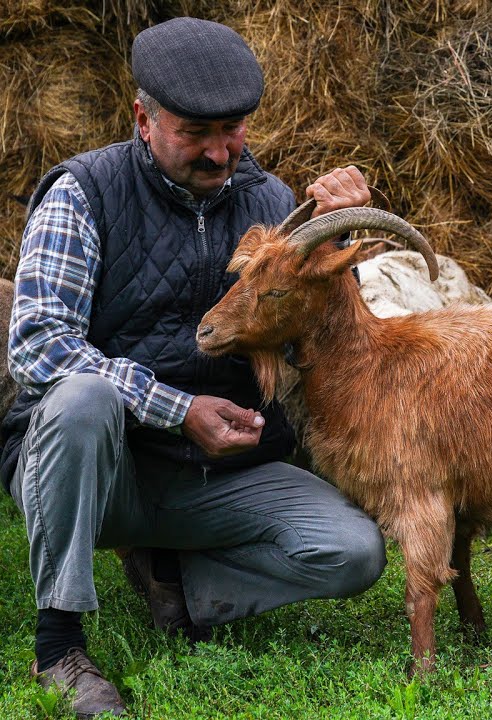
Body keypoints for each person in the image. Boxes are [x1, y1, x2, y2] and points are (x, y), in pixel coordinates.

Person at [2, 18, 387, 718]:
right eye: (196, 134)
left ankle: (178, 578)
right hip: (100, 470)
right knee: (81, 396)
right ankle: (58, 645)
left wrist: (342, 237)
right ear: (143, 118)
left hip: (216, 479)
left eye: (234, 129)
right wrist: (177, 409)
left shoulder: (272, 202)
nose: (220, 153)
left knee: (353, 552)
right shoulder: (83, 193)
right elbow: (36, 345)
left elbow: (325, 344)